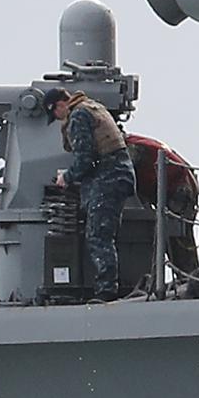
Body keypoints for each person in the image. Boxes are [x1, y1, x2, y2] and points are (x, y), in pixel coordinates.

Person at [44, 87, 136, 302]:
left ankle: (106, 291)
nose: (57, 119)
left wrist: (67, 177)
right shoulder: (93, 107)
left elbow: (86, 158)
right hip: (118, 175)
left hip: (106, 180)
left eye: (55, 114)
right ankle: (111, 285)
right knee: (107, 235)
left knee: (98, 236)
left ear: (59, 105)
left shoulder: (78, 115)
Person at [124, 133, 199, 276]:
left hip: (178, 191)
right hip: (168, 188)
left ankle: (190, 278)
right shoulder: (137, 142)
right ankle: (188, 277)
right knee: (171, 237)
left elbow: (124, 176)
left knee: (178, 240)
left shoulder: (132, 149)